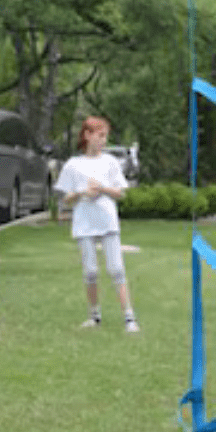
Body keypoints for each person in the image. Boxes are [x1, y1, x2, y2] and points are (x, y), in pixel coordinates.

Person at [55, 116, 140, 333]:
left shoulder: (110, 162)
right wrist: (82, 192)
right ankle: (94, 316)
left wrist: (102, 189)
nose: (103, 140)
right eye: (100, 136)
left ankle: (129, 318)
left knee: (116, 269)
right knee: (90, 271)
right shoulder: (73, 165)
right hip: (84, 224)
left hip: (107, 222)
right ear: (87, 135)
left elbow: (120, 193)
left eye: (105, 136)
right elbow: (65, 198)